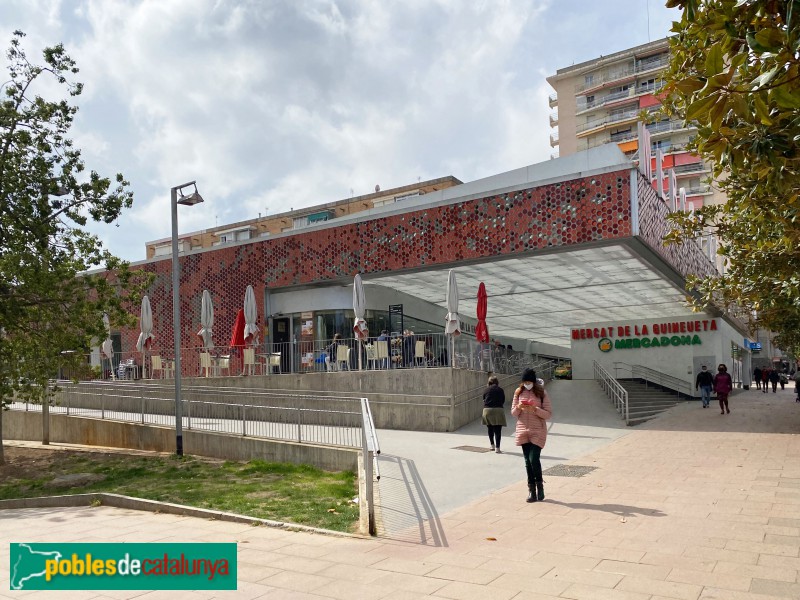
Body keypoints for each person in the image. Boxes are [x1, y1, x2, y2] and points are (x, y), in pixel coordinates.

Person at [511, 368, 552, 503]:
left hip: (537, 430)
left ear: (533, 381)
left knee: (534, 458)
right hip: (523, 429)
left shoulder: (541, 393)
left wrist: (535, 409)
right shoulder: (518, 392)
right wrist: (519, 407)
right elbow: (513, 413)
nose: (527, 384)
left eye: (529, 381)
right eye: (525, 382)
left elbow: (548, 414)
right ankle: (531, 490)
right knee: (527, 462)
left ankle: (540, 486)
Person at [482, 375, 506, 453]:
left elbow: (484, 400)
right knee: (498, 430)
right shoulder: (500, 390)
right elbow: (503, 400)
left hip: (487, 410)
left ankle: (492, 445)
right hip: (498, 410)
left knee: (490, 428)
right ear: (497, 382)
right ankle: (497, 448)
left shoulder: (486, 390)